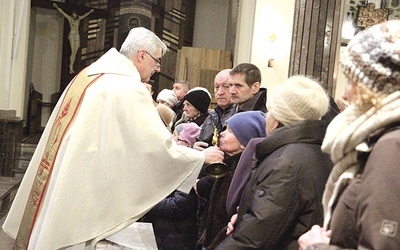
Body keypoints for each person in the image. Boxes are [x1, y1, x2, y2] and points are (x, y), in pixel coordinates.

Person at [2, 27, 224, 250]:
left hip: (68, 171)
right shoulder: (126, 87)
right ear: (142, 55)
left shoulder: (91, 74)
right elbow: (154, 146)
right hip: (86, 182)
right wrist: (199, 156)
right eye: (156, 61)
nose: (157, 69)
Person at [298, 20, 400, 250]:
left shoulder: (393, 147)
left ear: (375, 87)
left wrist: (317, 247)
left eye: (352, 81)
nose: (344, 94)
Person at [217, 75, 333, 249]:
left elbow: (253, 238)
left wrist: (245, 224)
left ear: (277, 119)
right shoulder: (319, 151)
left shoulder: (286, 163)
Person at [196, 111, 267, 250]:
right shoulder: (227, 164)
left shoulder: (246, 174)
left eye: (230, 131)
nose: (222, 133)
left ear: (244, 142)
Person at [142, 123, 202, 249]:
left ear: (188, 143)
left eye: (178, 138)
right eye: (173, 135)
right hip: (164, 230)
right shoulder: (176, 162)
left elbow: (179, 204)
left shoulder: (191, 167)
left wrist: (148, 203)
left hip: (176, 235)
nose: (172, 141)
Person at [197, 69, 235, 146]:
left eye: (226, 86)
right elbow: (200, 141)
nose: (220, 92)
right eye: (217, 87)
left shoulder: (239, 116)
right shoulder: (211, 116)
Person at [53, 3, 94, 74]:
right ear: (72, 15)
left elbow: (85, 15)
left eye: (75, 14)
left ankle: (71, 65)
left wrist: (90, 11)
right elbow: (62, 12)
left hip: (77, 35)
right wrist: (57, 7)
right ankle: (71, 66)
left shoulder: (78, 19)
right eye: (73, 14)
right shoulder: (70, 18)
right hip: (72, 34)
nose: (74, 15)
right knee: (73, 51)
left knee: (75, 52)